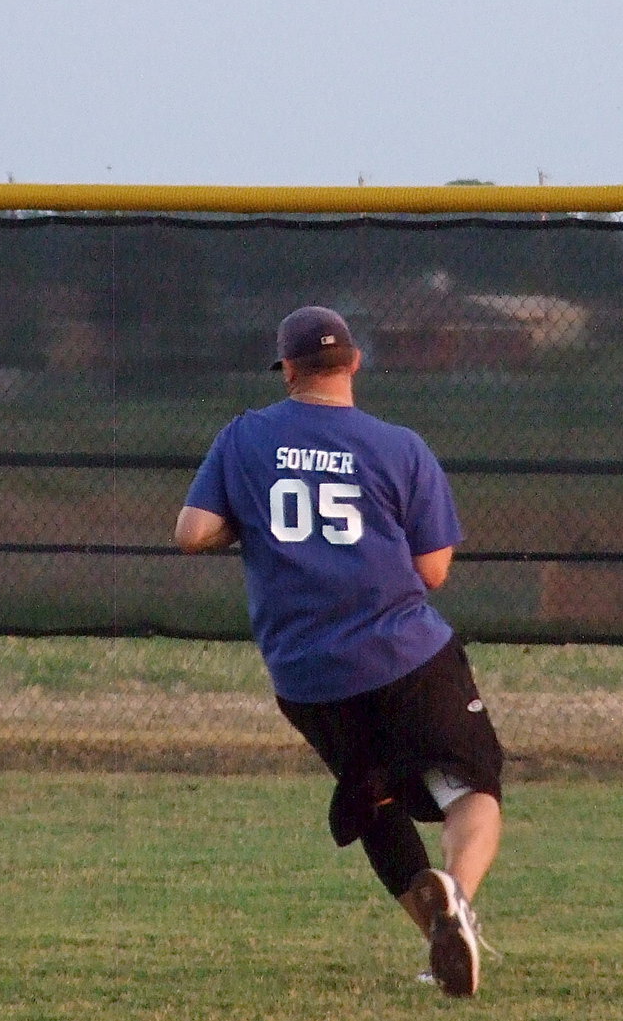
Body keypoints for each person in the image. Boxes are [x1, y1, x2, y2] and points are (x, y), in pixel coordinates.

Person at [174, 305, 504, 997]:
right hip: (404, 653)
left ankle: (443, 932)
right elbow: (435, 568)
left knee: (375, 799)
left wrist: (254, 519)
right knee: (470, 784)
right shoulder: (399, 445)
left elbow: (193, 530)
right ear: (353, 362)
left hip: (307, 675)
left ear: (288, 369)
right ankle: (459, 896)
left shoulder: (245, 437)